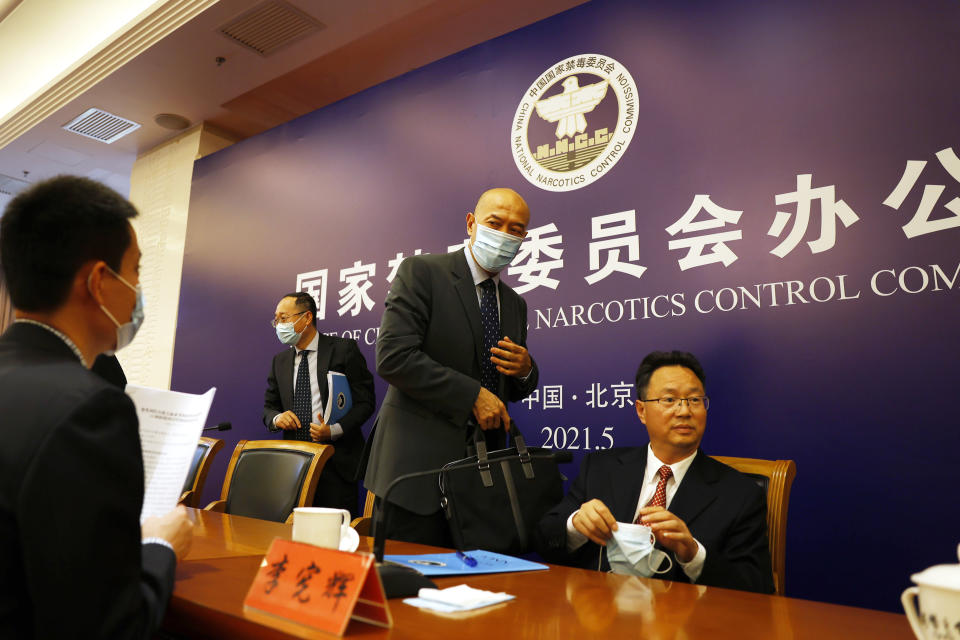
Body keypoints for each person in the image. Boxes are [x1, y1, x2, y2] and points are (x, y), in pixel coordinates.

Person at [0, 176, 194, 638]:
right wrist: (158, 547)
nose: (138, 290)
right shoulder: (89, 409)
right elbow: (108, 626)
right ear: (99, 282)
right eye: (137, 270)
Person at [364, 187, 539, 545]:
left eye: (516, 229)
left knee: (470, 592)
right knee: (405, 589)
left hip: (482, 478)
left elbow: (512, 385)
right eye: (495, 222)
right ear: (471, 223)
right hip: (414, 473)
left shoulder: (514, 304)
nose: (505, 235)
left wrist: (525, 370)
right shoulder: (423, 272)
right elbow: (394, 357)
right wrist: (472, 395)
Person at [536, 350, 774, 594]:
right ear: (641, 411)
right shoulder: (601, 468)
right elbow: (545, 540)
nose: (684, 411)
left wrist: (693, 554)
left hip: (682, 625)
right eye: (669, 400)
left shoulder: (739, 494)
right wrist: (575, 525)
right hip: (598, 617)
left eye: (694, 400)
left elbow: (758, 588)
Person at [262, 291, 375, 516]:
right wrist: (277, 418)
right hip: (295, 465)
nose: (278, 325)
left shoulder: (343, 350)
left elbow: (365, 401)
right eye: (276, 319)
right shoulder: (280, 361)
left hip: (336, 462)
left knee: (335, 538)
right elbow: (269, 407)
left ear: (306, 318)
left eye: (284, 318)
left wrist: (334, 430)